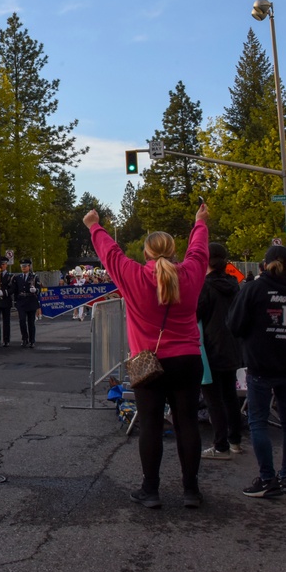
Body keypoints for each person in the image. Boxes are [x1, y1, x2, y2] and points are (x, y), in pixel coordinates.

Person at [85, 203, 209, 509]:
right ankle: (191, 490)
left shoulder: (134, 277)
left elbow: (111, 255)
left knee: (151, 425)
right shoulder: (191, 274)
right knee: (187, 424)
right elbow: (199, 252)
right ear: (174, 251)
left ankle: (150, 490)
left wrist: (94, 226)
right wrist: (200, 223)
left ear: (146, 254)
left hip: (149, 361)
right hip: (188, 359)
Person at [228, 245, 286, 498]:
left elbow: (234, 323)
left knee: (258, 422)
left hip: (260, 364)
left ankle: (267, 478)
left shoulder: (254, 289)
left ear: (263, 265)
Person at [196, 242, 243, 460]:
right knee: (230, 397)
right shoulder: (234, 283)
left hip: (211, 347)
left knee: (213, 399)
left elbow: (196, 314)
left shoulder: (205, 286)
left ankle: (220, 445)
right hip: (232, 346)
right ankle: (235, 441)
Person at [12, 259, 42, 348]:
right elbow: (15, 290)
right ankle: (24, 338)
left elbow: (39, 289)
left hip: (31, 301)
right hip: (21, 301)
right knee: (22, 321)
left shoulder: (34, 277)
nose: (23, 268)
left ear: (29, 267)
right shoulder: (17, 278)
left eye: (25, 266)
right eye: (22, 266)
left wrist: (35, 290)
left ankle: (32, 340)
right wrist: (16, 300)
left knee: (31, 322)